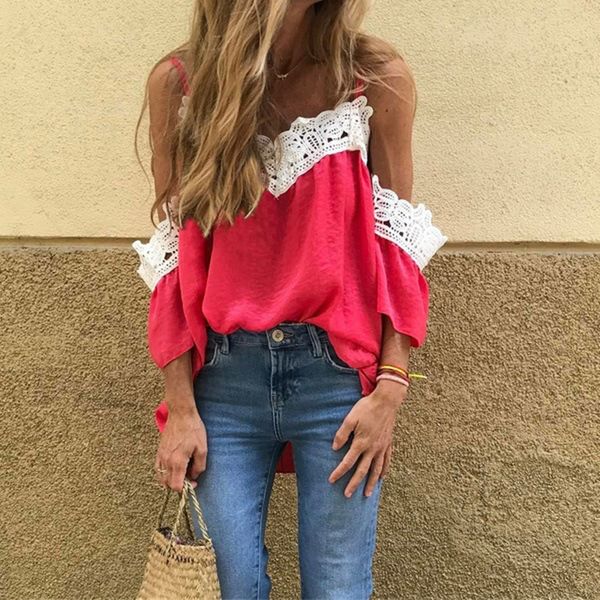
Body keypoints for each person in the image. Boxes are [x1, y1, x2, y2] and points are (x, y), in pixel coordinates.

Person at [132, 1, 447, 597]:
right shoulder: (182, 85)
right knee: (227, 587)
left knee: (337, 588)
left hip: (336, 382)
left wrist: (391, 388)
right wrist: (179, 405)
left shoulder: (373, 79)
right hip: (223, 385)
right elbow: (174, 254)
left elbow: (397, 246)